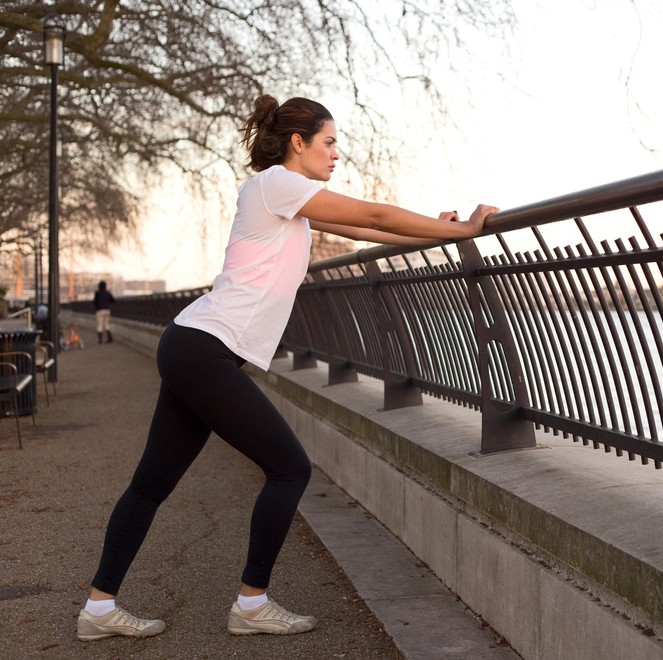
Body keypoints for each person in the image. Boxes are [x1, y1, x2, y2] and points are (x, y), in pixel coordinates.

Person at [76, 94, 499, 642]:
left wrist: (441, 229)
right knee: (289, 468)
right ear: (297, 143)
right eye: (329, 143)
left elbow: (369, 231)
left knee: (152, 484)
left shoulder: (285, 199)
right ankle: (252, 602)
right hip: (204, 347)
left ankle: (99, 610)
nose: (336, 155)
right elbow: (370, 214)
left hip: (196, 345)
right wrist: (464, 233)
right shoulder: (276, 184)